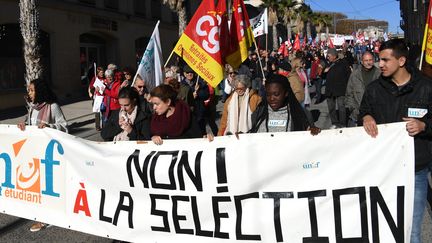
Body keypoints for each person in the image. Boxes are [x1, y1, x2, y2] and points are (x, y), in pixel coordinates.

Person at [358, 39, 432, 243]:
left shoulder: (426, 87)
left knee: (411, 231)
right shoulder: (374, 89)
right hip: (383, 170)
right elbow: (363, 113)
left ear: (401, 61)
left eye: (385, 60)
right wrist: (366, 117)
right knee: (384, 228)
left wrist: (424, 125)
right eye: (379, 59)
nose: (379, 64)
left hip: (415, 169)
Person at [17, 78, 68, 232]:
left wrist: (49, 126)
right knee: (37, 187)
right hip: (34, 153)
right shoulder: (33, 108)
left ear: (40, 90)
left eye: (32, 90)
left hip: (49, 155)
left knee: (47, 187)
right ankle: (42, 216)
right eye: (29, 90)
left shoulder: (53, 107)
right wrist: (23, 125)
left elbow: (64, 127)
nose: (29, 93)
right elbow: (31, 125)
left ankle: (45, 218)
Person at [249, 74, 320, 135]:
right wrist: (243, 138)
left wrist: (313, 132)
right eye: (268, 94)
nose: (271, 98)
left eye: (276, 94)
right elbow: (252, 136)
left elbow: (309, 144)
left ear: (286, 93)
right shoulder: (259, 113)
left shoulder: (301, 114)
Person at [345, 51, 380, 127]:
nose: (368, 63)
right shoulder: (355, 75)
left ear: (373, 60)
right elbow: (349, 94)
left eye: (370, 60)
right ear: (361, 62)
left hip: (376, 114)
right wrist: (354, 109)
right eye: (366, 60)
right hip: (358, 114)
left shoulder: (380, 74)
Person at [323, 48, 351, 128]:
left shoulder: (343, 63)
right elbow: (322, 75)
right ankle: (334, 123)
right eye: (327, 56)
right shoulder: (327, 63)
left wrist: (348, 88)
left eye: (329, 56)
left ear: (334, 56)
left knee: (341, 107)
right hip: (330, 90)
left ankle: (342, 124)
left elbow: (348, 75)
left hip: (340, 89)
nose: (327, 58)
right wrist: (323, 72)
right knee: (331, 108)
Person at [88, 66, 105, 131]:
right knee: (97, 112)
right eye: (101, 72)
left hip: (104, 96)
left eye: (103, 72)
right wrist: (95, 89)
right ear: (98, 73)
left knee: (103, 111)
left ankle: (103, 125)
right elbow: (91, 87)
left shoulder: (105, 78)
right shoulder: (95, 78)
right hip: (97, 97)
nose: (102, 74)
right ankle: (97, 126)